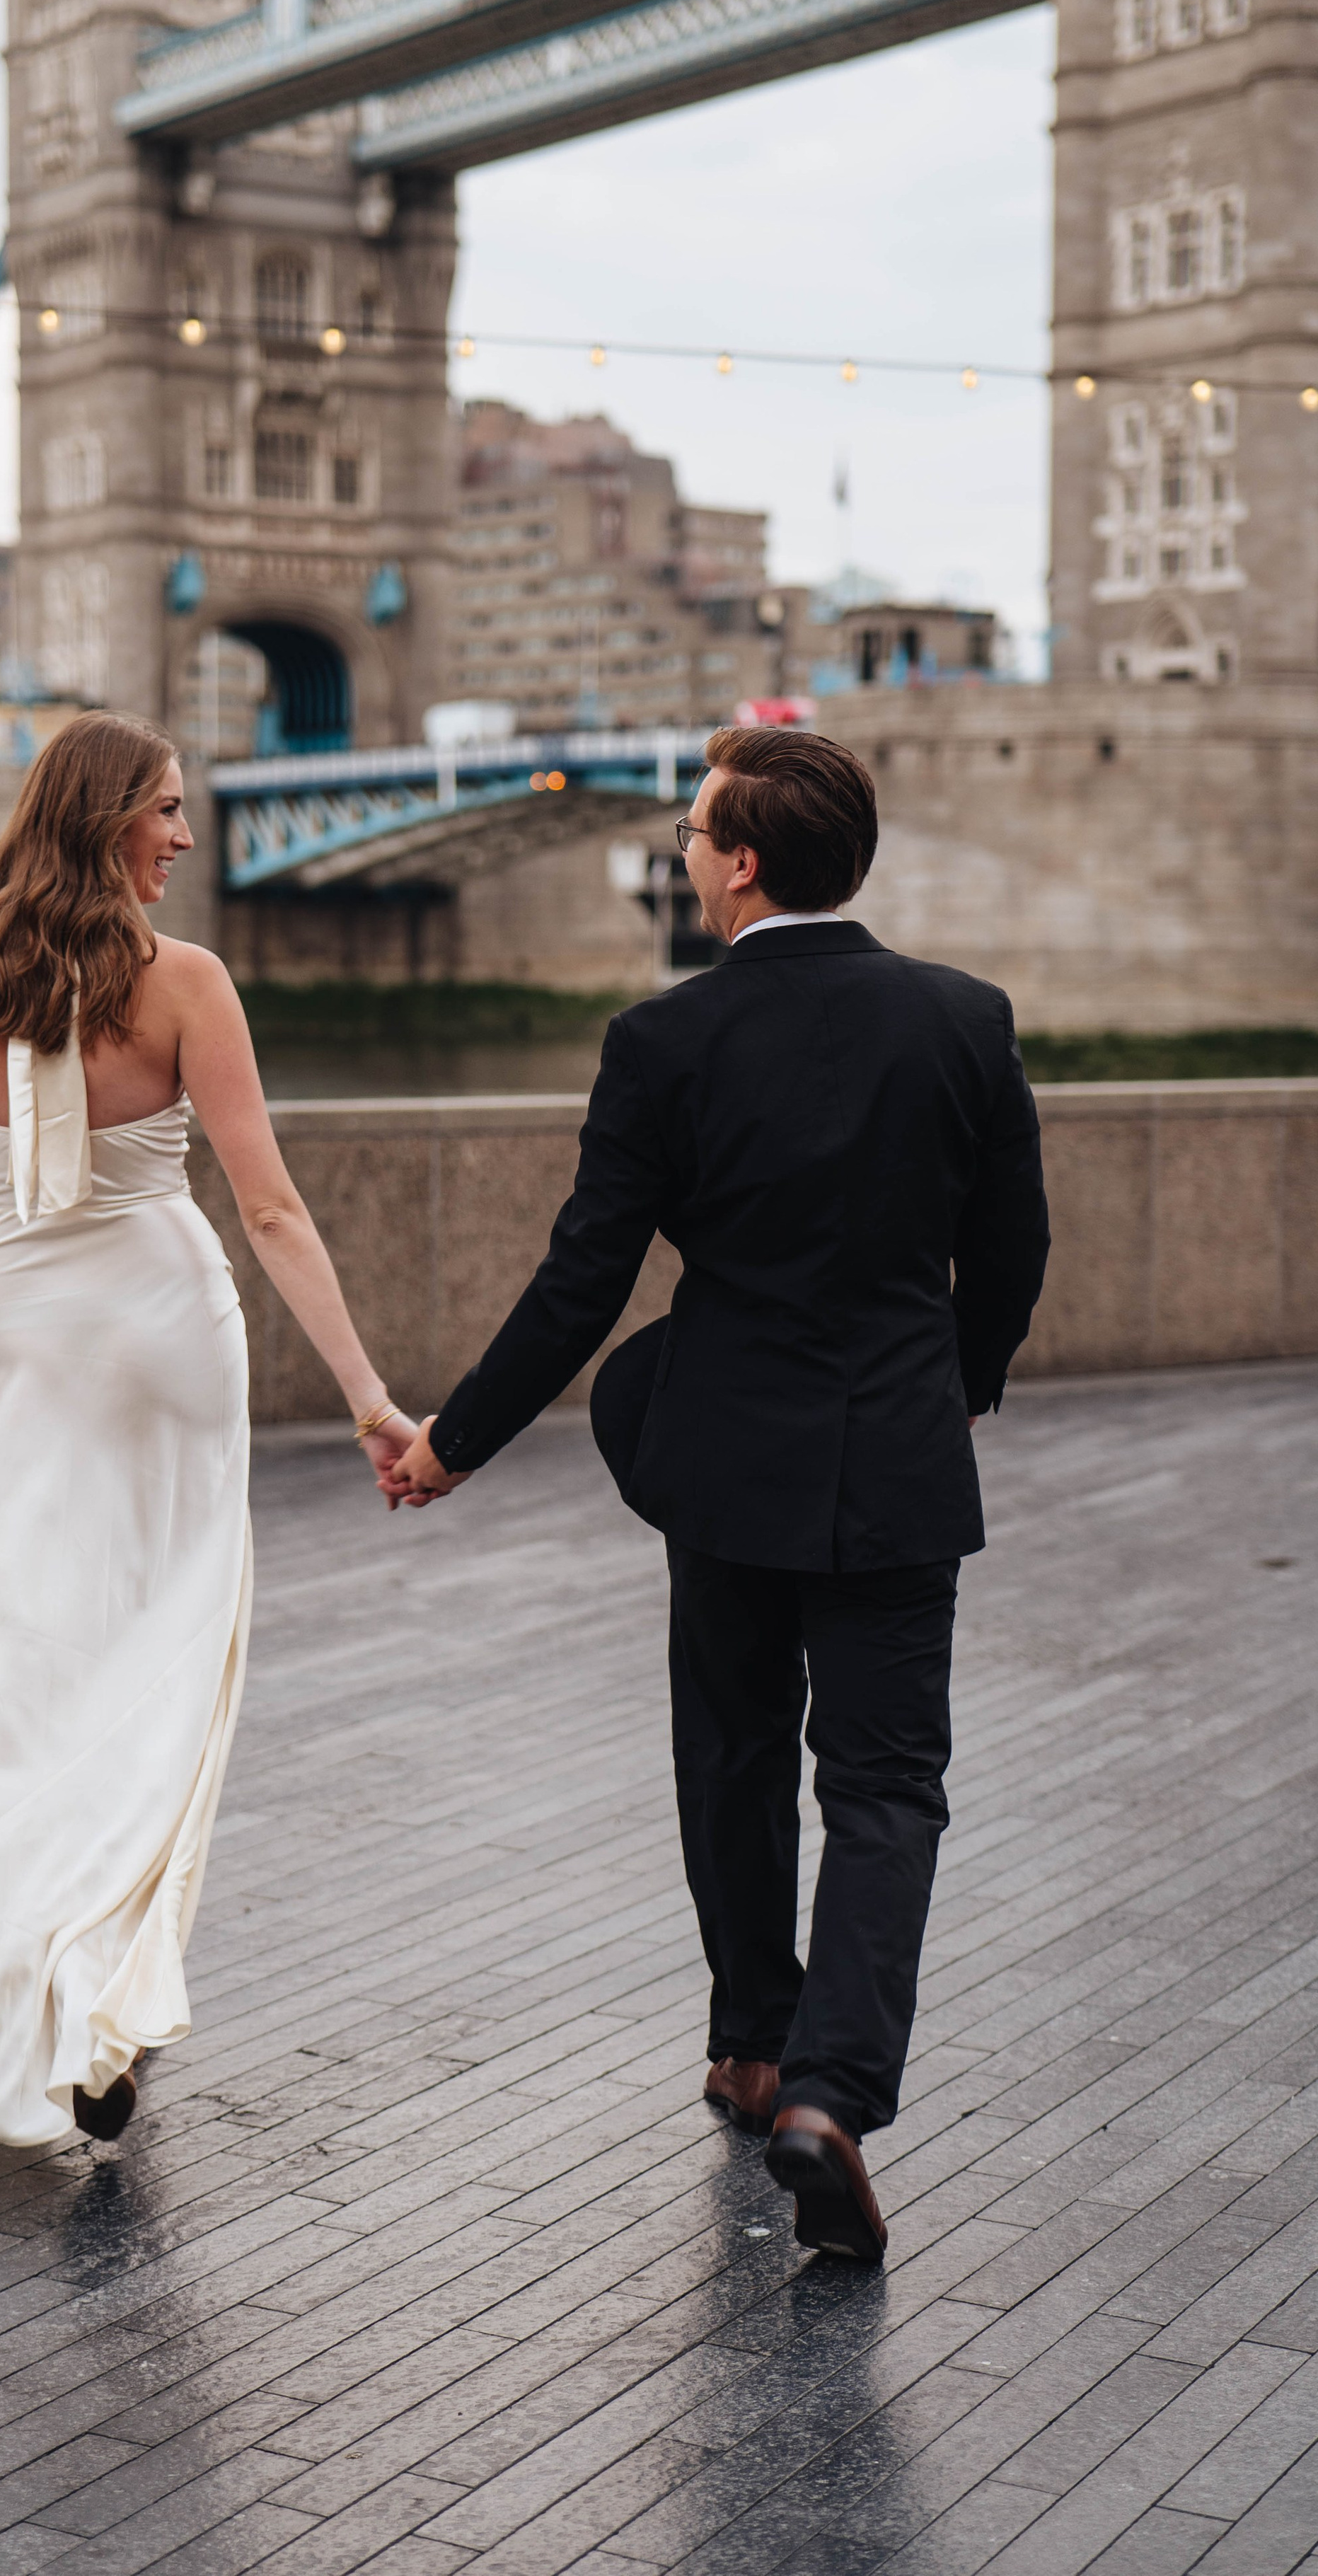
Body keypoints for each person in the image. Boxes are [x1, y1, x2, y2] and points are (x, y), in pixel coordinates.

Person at [390, 725, 1049, 2262]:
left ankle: (750, 2045)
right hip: (893, 1458)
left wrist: (451, 1442)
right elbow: (1008, 1252)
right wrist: (953, 1384)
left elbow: (580, 1289)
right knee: (885, 1791)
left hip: (723, 1466)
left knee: (735, 1754)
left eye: (693, 832)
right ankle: (827, 2094)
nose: (683, 851)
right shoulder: (962, 1021)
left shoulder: (662, 1043)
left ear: (741, 864)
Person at [0, 714, 417, 2149]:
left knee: (3, 1666)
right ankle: (102, 1994)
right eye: (167, 813)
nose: (186, 840)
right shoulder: (183, 983)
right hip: (162, 1332)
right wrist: (369, 1397)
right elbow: (267, 1209)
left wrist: (21, 1337)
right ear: (103, 823)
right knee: (160, 1660)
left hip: (18, 1339)